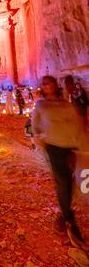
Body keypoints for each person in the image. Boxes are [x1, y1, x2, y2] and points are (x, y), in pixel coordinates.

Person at [32, 75, 88, 247]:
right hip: (53, 146)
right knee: (63, 181)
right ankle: (69, 221)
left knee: (69, 181)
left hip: (70, 145)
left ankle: (64, 213)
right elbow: (35, 125)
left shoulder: (66, 104)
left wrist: (83, 144)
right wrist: (38, 140)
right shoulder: (40, 105)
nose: (46, 85)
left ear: (56, 85)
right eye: (43, 84)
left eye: (49, 82)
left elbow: (77, 123)